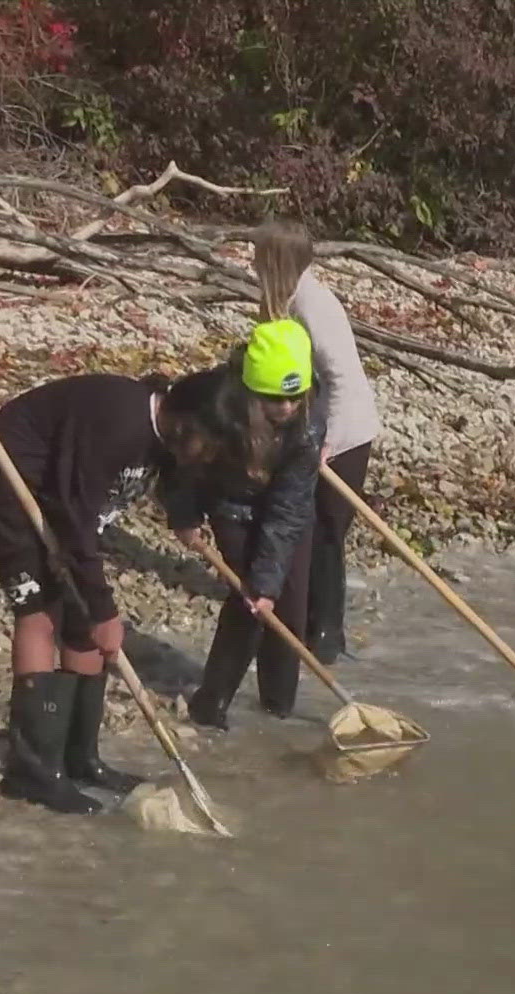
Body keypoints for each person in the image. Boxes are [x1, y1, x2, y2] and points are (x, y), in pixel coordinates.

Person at [0, 368, 256, 813]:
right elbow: (74, 517)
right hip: (9, 486)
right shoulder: (117, 423)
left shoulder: (169, 440)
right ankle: (34, 771)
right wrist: (103, 611)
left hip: (65, 503)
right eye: (210, 447)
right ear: (186, 423)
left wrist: (182, 515)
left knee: (83, 621)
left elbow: (175, 479)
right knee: (41, 612)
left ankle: (81, 758)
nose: (209, 458)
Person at [177, 247, 326, 729]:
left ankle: (277, 709)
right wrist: (184, 512)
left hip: (283, 505)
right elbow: (179, 458)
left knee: (289, 604)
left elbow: (287, 512)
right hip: (231, 504)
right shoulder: (216, 406)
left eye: (291, 397)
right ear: (249, 389)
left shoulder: (307, 424)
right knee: (249, 606)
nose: (284, 408)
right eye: (272, 400)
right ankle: (211, 703)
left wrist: (270, 580)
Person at [254, 221, 383, 665]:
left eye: (259, 255)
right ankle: (307, 624)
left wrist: (329, 443)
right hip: (318, 431)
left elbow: (343, 379)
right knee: (307, 531)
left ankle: (327, 636)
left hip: (345, 434)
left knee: (326, 535)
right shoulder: (287, 302)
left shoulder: (314, 305)